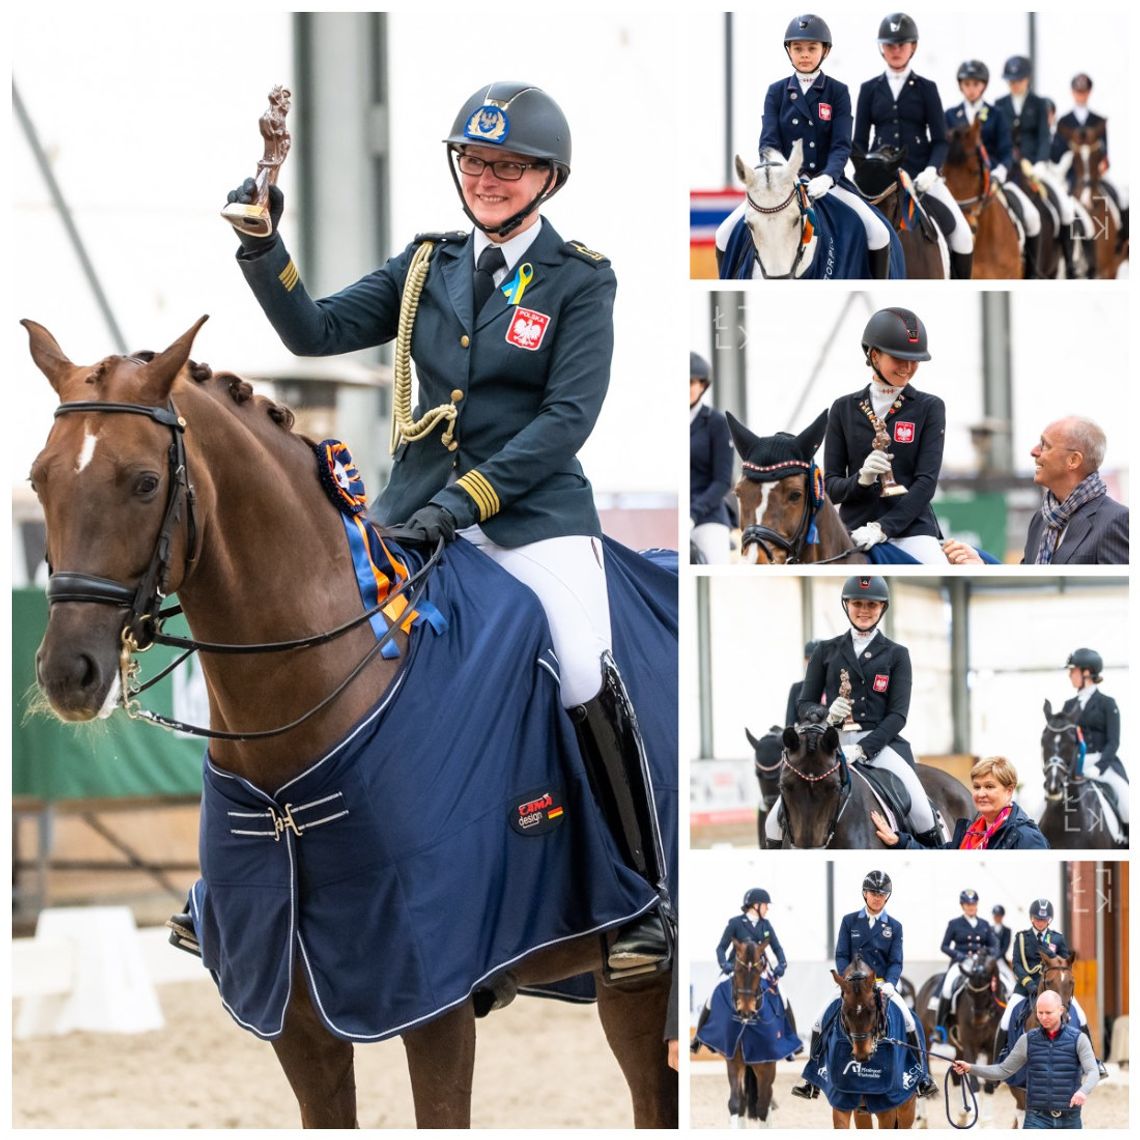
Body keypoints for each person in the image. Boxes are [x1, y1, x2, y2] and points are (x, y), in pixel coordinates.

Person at [224, 81, 669, 974]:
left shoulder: (582, 280)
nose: (489, 179)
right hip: (412, 511)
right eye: (475, 161)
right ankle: (236, 886)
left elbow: (565, 420)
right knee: (302, 647)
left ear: (548, 178)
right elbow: (315, 331)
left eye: (509, 166)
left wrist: (464, 501)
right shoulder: (426, 266)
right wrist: (264, 245)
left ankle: (639, 896)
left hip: (533, 515)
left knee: (583, 666)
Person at [769, 575, 942, 847]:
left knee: (922, 813)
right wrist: (827, 714)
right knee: (772, 822)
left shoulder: (896, 654)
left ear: (882, 608)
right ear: (846, 605)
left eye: (872, 605)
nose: (864, 610)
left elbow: (898, 715)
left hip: (880, 744)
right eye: (857, 603)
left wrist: (863, 749)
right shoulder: (825, 651)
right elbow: (804, 705)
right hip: (829, 745)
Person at [761, 14, 893, 277]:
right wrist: (785, 176)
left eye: (812, 48)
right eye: (798, 48)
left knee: (878, 232)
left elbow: (842, 145)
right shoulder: (776, 92)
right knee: (724, 233)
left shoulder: (837, 92)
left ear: (825, 51)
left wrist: (827, 177)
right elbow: (768, 144)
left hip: (829, 184)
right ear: (789, 51)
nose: (805, 55)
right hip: (785, 185)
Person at [793, 870, 937, 1099]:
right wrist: (846, 980)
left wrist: (890, 983)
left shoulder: (895, 926)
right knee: (818, 1021)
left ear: (887, 897)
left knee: (911, 1022)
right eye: (873, 893)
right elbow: (841, 954)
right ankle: (812, 1080)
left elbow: (896, 960)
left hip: (880, 985)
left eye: (882, 894)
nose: (877, 897)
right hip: (852, 986)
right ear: (865, 894)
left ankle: (922, 1077)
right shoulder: (850, 921)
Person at [823, 307, 947, 564]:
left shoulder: (929, 407)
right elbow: (832, 489)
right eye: (899, 359)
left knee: (938, 569)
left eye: (915, 361)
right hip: (853, 529)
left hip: (911, 531)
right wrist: (862, 479)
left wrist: (883, 528)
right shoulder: (842, 409)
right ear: (875, 355)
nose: (908, 368)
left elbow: (926, 483)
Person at [854, 13, 974, 277]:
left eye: (902, 44)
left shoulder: (926, 88)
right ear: (882, 48)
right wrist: (863, 174)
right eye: (889, 45)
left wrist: (932, 170)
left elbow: (941, 140)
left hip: (922, 177)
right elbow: (859, 143)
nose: (895, 50)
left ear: (913, 47)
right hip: (881, 183)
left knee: (963, 236)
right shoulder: (869, 89)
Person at [943, 417, 1128, 565]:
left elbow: (1120, 594)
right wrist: (980, 567)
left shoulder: (1114, 520)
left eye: (1045, 445)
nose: (1034, 451)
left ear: (1073, 460)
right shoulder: (1041, 519)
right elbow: (1026, 582)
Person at [945, 60, 1046, 278]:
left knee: (1031, 216)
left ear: (983, 86)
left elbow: (1006, 149)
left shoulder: (995, 114)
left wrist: (999, 173)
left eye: (976, 84)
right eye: (967, 84)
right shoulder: (951, 116)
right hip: (958, 186)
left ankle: (1032, 274)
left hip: (992, 178)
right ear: (961, 86)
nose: (971, 88)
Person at [952, 989, 1099, 1129]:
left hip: (1070, 1118)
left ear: (1061, 1010)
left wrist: (1083, 1091)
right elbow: (1003, 1069)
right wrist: (970, 1068)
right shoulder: (1026, 1040)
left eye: (1048, 1013)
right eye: (1040, 1013)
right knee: (1004, 1020)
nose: (1043, 1017)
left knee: (1082, 1017)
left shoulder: (1079, 1039)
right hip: (1037, 1118)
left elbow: (1093, 1071)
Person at [996, 899, 1105, 1078]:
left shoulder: (1056, 938)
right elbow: (1016, 965)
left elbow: (1065, 964)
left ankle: (1093, 1062)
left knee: (1082, 1016)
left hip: (1055, 987)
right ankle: (998, 1063)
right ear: (1031, 918)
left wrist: (1051, 955)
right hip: (1027, 987)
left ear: (1050, 920)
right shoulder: (1022, 938)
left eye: (1044, 919)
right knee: (1006, 1019)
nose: (1040, 922)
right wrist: (1030, 985)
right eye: (1037, 919)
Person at [692, 888, 794, 1052]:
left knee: (783, 996)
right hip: (736, 967)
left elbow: (777, 948)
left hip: (760, 969)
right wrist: (725, 965)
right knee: (712, 995)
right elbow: (720, 948)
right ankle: (698, 1038)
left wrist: (781, 965)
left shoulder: (766, 925)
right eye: (765, 905)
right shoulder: (735, 923)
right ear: (756, 905)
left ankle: (791, 1038)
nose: (767, 908)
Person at [872, 755, 1048, 849]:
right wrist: (899, 841)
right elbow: (936, 855)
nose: (981, 794)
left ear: (1009, 790)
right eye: (977, 787)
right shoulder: (969, 832)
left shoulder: (1026, 837)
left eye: (989, 787)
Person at [1050, 73, 1129, 231]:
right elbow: (1056, 153)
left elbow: (1105, 151)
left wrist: (1103, 164)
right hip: (1072, 176)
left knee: (1121, 197)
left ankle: (1125, 239)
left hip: (1095, 176)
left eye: (1084, 92)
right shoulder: (1064, 122)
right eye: (1078, 92)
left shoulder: (1098, 121)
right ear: (1072, 93)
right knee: (1056, 204)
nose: (1081, 95)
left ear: (1089, 92)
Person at [1062, 648, 1128, 828]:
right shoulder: (1068, 706)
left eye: (1072, 670)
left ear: (1087, 672)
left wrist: (1098, 768)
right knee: (1041, 808)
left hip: (1103, 766)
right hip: (1076, 767)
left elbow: (1113, 742)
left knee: (1128, 805)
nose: (1069, 675)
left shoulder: (1107, 703)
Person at [927, 889, 1000, 1040]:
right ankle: (939, 1028)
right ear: (962, 906)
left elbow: (995, 946)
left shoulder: (985, 924)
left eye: (973, 904)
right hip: (961, 964)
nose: (971, 907)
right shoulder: (954, 924)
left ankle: (996, 1021)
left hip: (979, 965)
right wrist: (958, 955)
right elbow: (944, 946)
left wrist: (986, 952)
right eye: (967, 904)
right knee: (947, 988)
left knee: (999, 984)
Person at [690, 351, 734, 565]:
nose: (688, 388)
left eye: (692, 382)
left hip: (707, 516)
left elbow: (723, 481)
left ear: (702, 385)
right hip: (679, 514)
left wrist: (694, 513)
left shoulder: (716, 423)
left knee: (715, 559)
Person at [786, 640, 821, 727]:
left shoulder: (832, 687)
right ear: (804, 660)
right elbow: (789, 724)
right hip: (804, 737)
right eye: (808, 658)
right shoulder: (796, 688)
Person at [992, 904, 1017, 993]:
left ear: (1002, 916)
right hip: (990, 959)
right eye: (996, 916)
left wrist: (996, 957)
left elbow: (1005, 947)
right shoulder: (988, 929)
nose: (997, 918)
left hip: (1000, 959)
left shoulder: (1007, 931)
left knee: (1011, 979)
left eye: (999, 916)